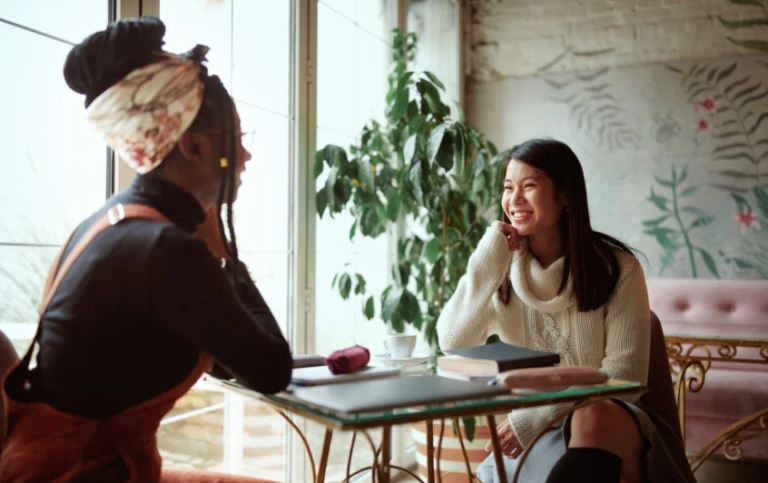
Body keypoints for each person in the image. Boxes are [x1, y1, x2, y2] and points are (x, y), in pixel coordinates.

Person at [0, 16, 292, 483]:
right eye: (236, 139)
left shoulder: (108, 223)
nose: (245, 156)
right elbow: (272, 368)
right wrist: (227, 257)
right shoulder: (164, 248)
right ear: (193, 146)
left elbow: (220, 355)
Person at [436, 139, 695, 483]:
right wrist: (489, 253)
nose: (514, 200)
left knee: (593, 415)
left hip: (615, 427)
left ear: (565, 196)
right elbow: (452, 341)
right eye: (508, 187)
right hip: (542, 439)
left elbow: (625, 378)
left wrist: (534, 418)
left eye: (529, 186)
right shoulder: (501, 273)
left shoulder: (619, 269)